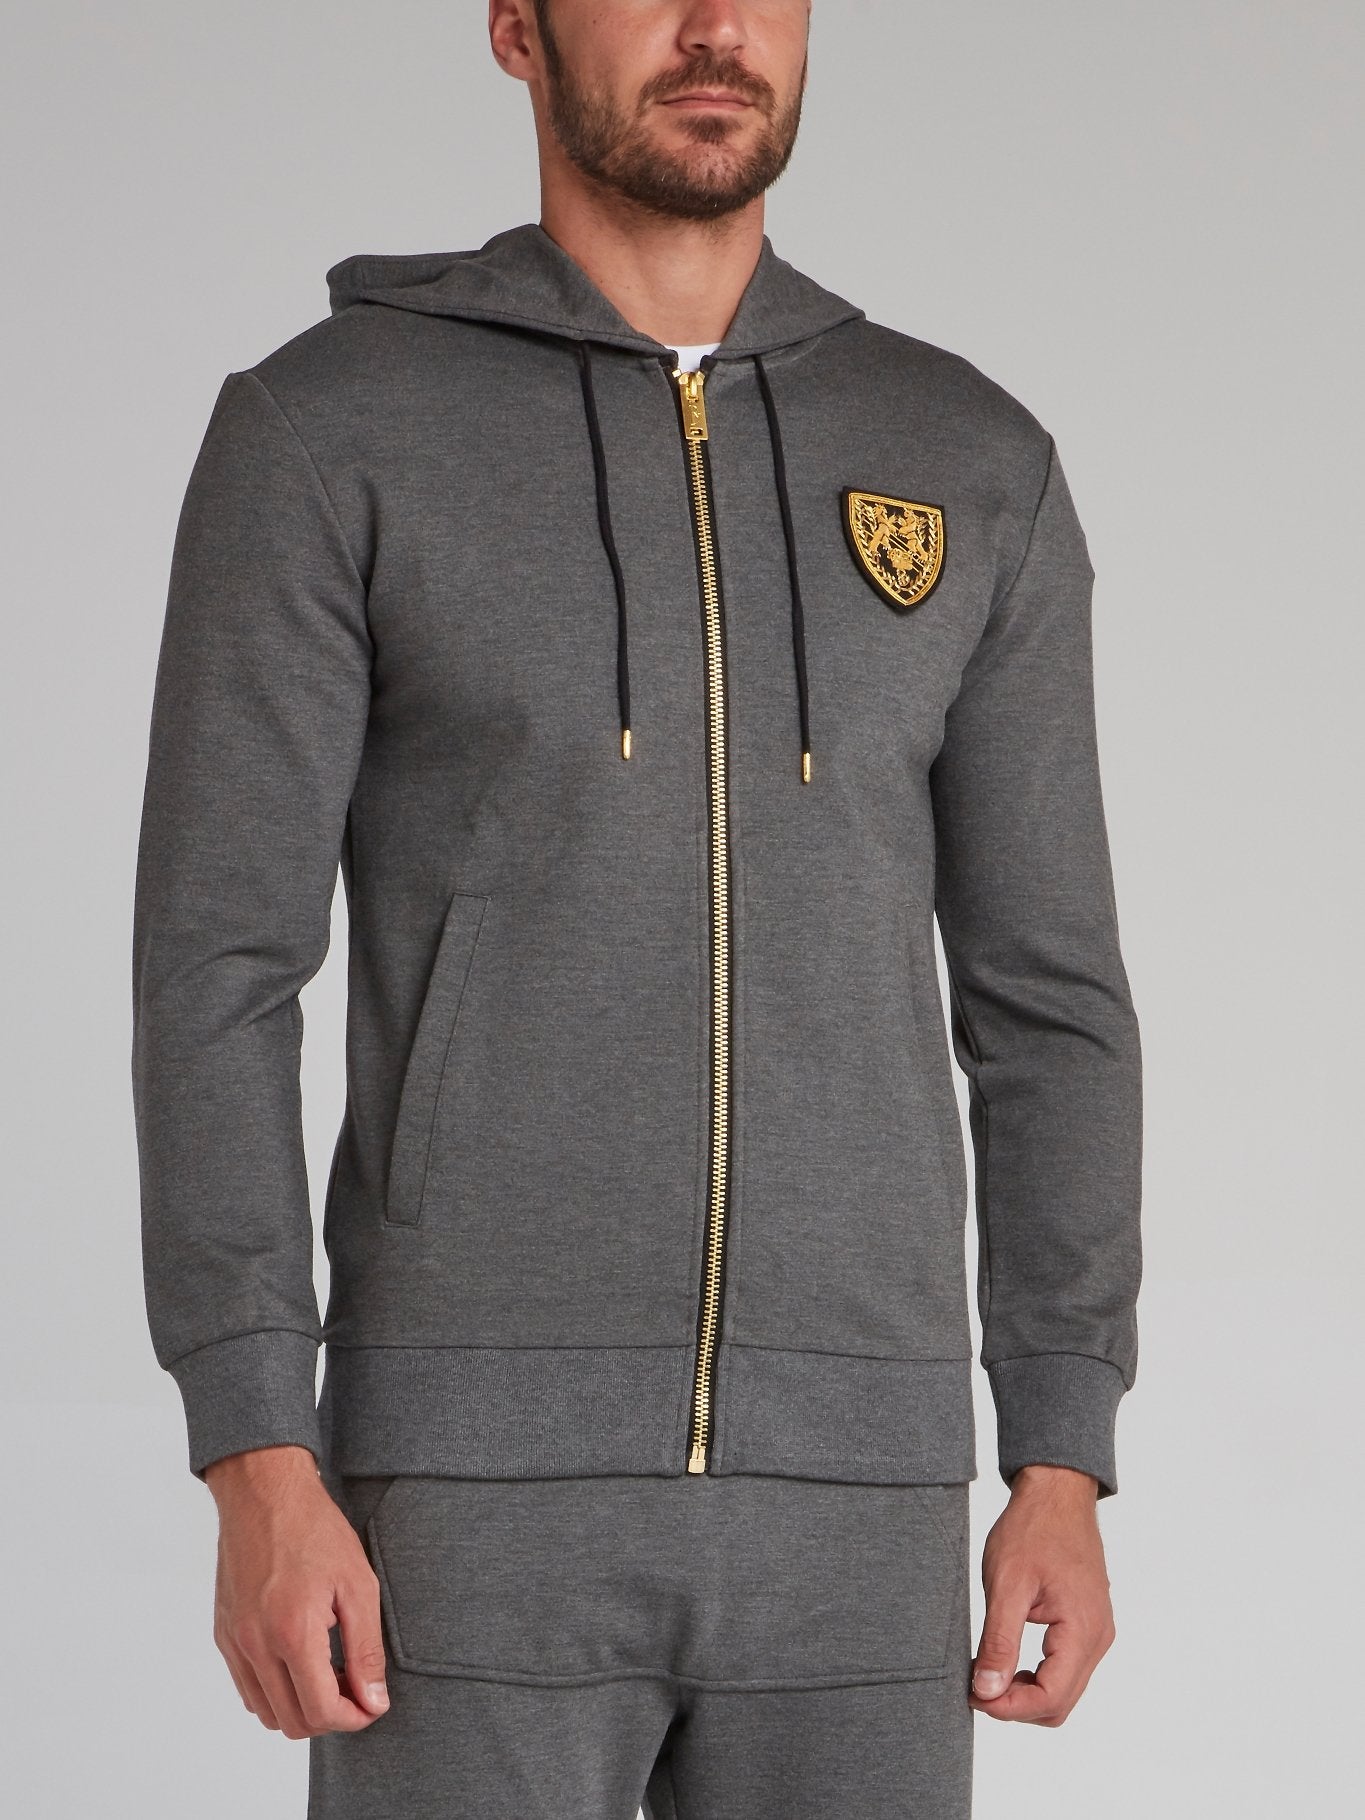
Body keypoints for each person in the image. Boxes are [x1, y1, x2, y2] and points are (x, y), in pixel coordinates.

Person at [130, 3, 1142, 1815]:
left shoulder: (967, 456)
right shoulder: (330, 429)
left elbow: (1048, 1000)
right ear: (516, 28)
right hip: (459, 1502)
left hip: (861, 1508)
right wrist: (256, 1451)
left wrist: (1058, 1452)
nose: (714, 27)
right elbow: (215, 972)